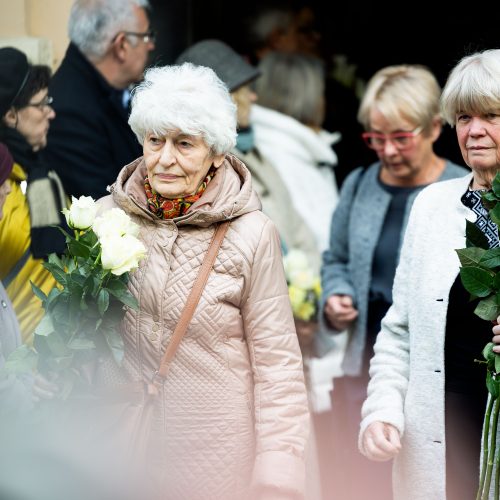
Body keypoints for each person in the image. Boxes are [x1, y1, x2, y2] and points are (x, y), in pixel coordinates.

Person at [92, 62, 309, 500]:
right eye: (155, 140)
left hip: (217, 456)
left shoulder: (252, 233)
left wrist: (278, 468)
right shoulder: (106, 218)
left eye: (184, 143)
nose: (165, 158)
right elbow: (79, 331)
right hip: (122, 448)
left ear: (215, 151)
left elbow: (277, 362)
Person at [356, 49, 500, 500]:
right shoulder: (432, 206)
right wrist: (381, 412)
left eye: (492, 115)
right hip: (439, 446)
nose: (474, 130)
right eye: (463, 117)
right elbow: (399, 332)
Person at [321, 64, 467, 500]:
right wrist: (336, 294)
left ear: (434, 128)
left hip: (430, 367)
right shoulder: (359, 185)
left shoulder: (460, 190)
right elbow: (336, 259)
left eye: (400, 137)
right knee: (359, 482)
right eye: (375, 138)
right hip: (364, 361)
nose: (386, 150)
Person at [175, 39, 318, 296]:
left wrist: (308, 286)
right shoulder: (209, 166)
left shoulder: (253, 148)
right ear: (224, 99)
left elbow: (297, 226)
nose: (253, 96)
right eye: (245, 89)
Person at [42, 0, 155, 199]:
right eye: (146, 36)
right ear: (121, 45)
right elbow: (107, 208)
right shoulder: (72, 115)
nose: (151, 45)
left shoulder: (107, 87)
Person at [0, 47, 69, 343]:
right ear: (11, 115)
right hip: (15, 369)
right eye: (41, 104)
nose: (51, 113)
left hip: (51, 362)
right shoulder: (5, 189)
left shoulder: (38, 171)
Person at [252, 51, 340, 272]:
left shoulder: (298, 147)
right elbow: (321, 235)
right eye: (321, 93)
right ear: (308, 98)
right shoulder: (284, 155)